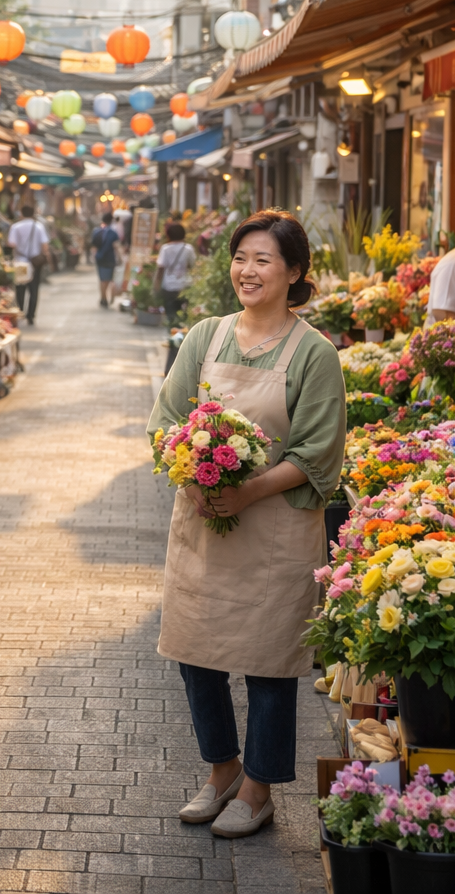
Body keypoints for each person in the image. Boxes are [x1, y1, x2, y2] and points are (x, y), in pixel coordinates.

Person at [147, 210, 346, 839]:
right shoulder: (206, 335)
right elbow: (166, 420)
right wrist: (195, 474)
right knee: (194, 655)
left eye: (263, 259)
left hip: (276, 532)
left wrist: (248, 489)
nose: (248, 270)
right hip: (204, 525)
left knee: (268, 662)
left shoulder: (314, 353)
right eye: (241, 257)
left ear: (294, 272)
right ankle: (222, 769)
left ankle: (258, 787)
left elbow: (317, 452)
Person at [7, 205, 49, 325]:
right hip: (35, 262)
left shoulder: (16, 226)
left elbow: (11, 243)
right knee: (34, 289)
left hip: (21, 262)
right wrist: (44, 255)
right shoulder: (38, 226)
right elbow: (44, 245)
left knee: (20, 287)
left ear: (21, 213)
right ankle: (31, 315)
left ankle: (20, 311)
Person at [154, 221, 196, 319]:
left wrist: (156, 285)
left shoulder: (165, 249)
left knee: (170, 314)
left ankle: (172, 330)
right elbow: (193, 266)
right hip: (185, 285)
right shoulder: (188, 249)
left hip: (169, 286)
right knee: (184, 315)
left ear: (168, 235)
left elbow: (160, 268)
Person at [89, 212, 120, 308]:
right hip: (109, 258)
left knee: (102, 279)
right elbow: (116, 246)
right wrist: (120, 258)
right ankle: (104, 298)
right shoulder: (112, 232)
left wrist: (94, 256)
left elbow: (94, 246)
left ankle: (103, 298)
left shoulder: (96, 231)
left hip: (99, 258)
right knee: (107, 280)